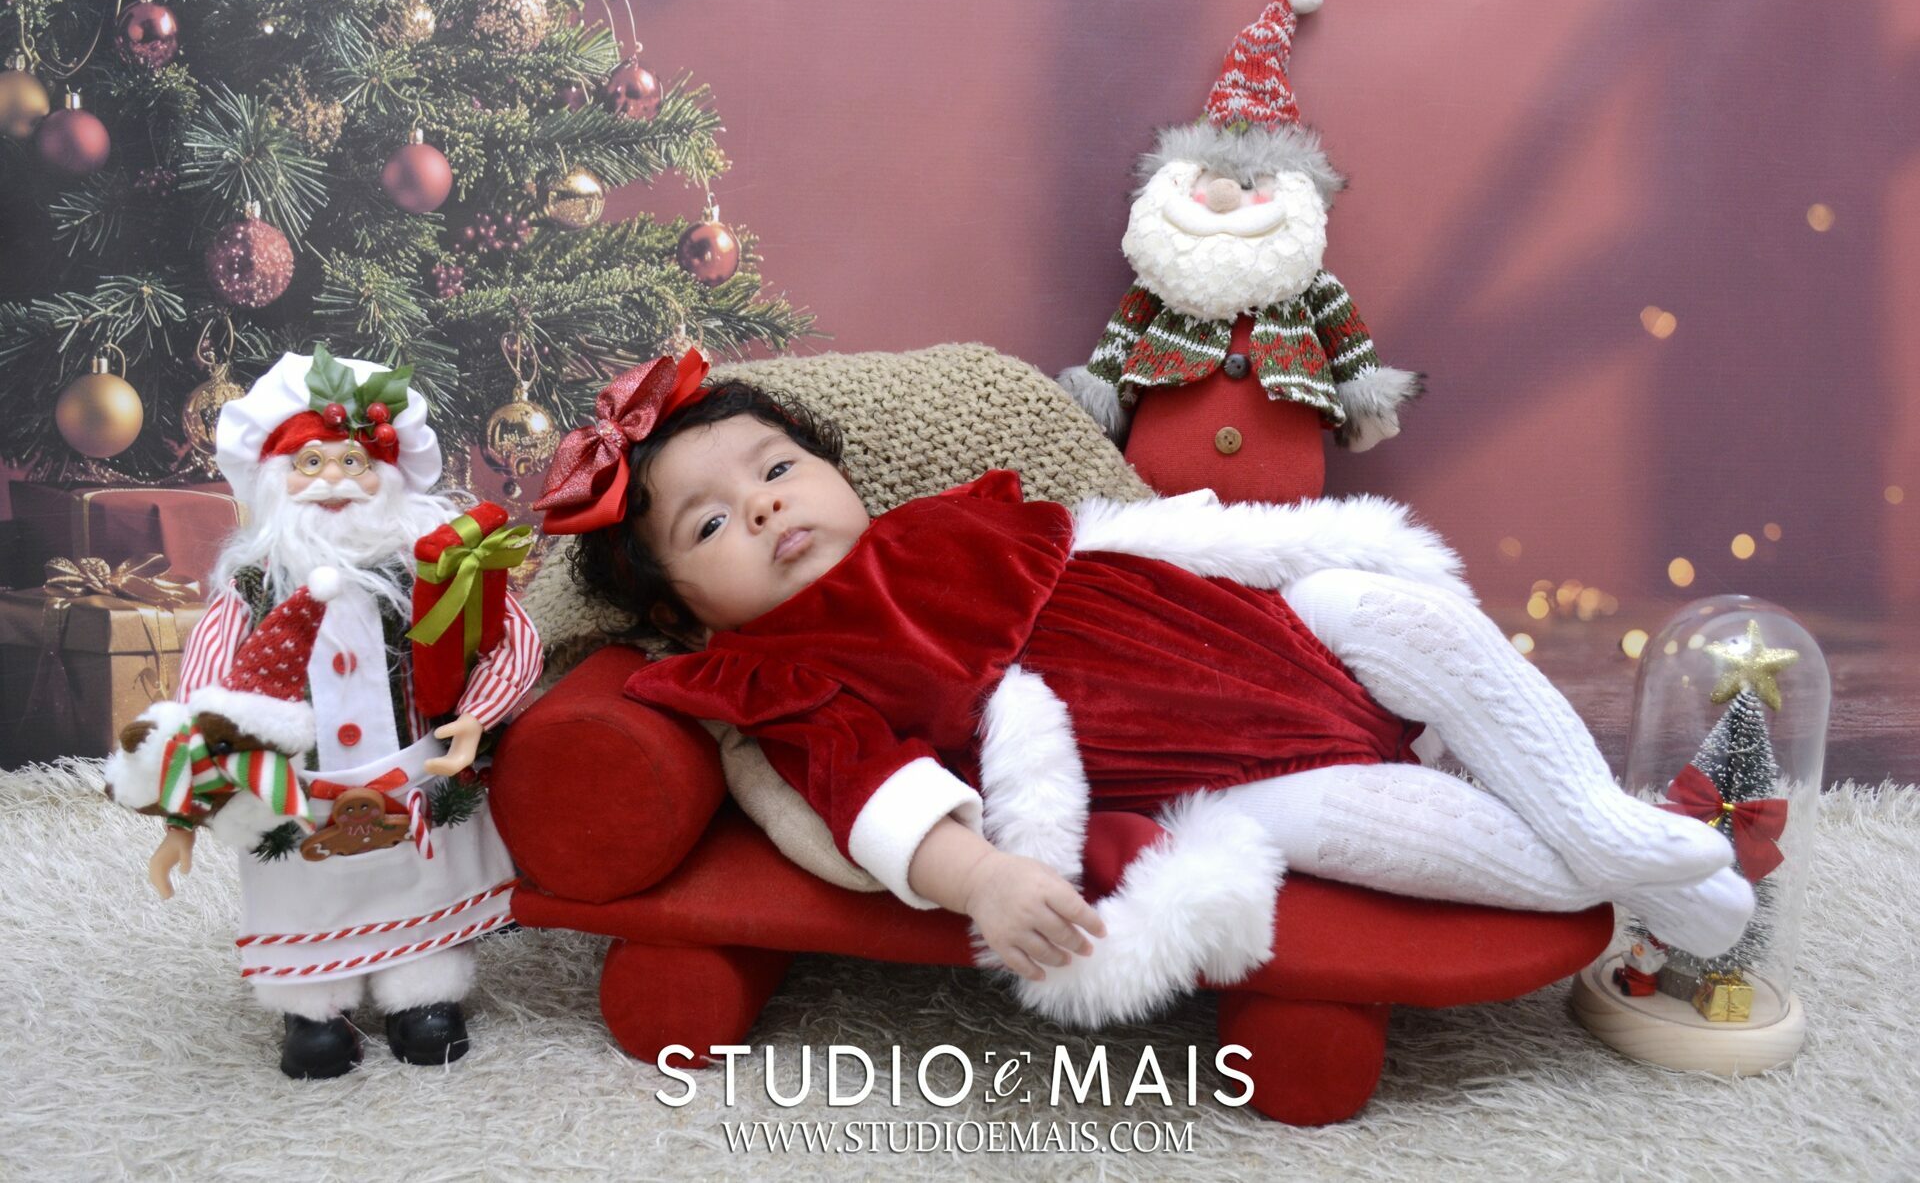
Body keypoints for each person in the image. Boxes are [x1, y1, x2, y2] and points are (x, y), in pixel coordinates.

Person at [538, 348, 1751, 1027]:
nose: (763, 507)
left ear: (835, 472)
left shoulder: (942, 523)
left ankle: (1601, 816)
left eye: (777, 469)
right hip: (1253, 776)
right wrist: (985, 875)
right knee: (1389, 828)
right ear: (682, 610)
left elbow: (1129, 537)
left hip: (1284, 634)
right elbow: (869, 796)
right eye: (711, 524)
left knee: (1400, 610)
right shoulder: (780, 675)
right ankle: (1632, 878)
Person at [105, 348, 542, 1077]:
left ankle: (422, 997)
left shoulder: (432, 573)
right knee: (302, 894)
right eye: (310, 463)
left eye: (353, 462)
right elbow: (205, 702)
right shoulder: (251, 589)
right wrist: (184, 815)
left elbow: (510, 638)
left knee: (416, 886)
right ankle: (313, 1012)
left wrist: (477, 716)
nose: (333, 479)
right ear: (275, 481)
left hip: (413, 778)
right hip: (293, 795)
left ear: (390, 476)